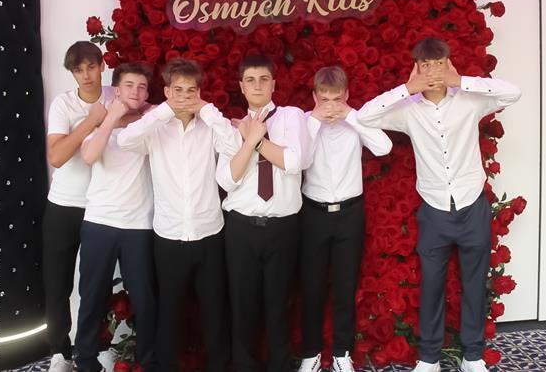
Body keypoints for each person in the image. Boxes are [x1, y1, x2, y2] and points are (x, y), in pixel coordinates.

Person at [356, 38, 521, 372]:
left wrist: (461, 81)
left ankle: (472, 356)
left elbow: (512, 93)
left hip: (472, 206)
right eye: (426, 65)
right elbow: (364, 116)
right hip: (433, 210)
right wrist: (407, 88)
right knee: (432, 286)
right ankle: (429, 358)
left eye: (439, 63)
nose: (433, 71)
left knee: (474, 284)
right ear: (416, 67)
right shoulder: (408, 110)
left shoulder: (469, 101)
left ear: (449, 63)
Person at [117, 58, 238, 372]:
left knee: (214, 312)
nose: (184, 96)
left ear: (199, 92)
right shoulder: (155, 127)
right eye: (178, 90)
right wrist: (163, 112)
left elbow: (235, 145)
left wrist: (208, 110)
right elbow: (125, 140)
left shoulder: (209, 126)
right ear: (168, 91)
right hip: (169, 237)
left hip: (209, 234)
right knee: (168, 312)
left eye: (191, 90)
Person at [216, 54, 311, 372]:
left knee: (279, 303)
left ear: (273, 84)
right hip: (241, 228)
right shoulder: (232, 128)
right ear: (242, 87)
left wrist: (255, 141)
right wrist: (247, 139)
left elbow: (295, 162)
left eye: (263, 79)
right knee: (242, 304)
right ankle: (244, 366)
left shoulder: (292, 117)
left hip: (283, 227)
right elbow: (227, 180)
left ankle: (279, 366)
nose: (257, 86)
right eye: (250, 80)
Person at [297, 66, 392, 372]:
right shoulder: (305, 122)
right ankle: (311, 354)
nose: (331, 106)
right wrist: (315, 120)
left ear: (347, 95)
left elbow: (384, 147)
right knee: (312, 286)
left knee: (345, 286)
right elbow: (298, 159)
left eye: (337, 99)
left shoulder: (356, 120)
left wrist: (351, 115)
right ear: (314, 97)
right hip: (313, 214)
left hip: (350, 214)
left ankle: (342, 353)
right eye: (324, 99)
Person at [73, 62, 156, 372]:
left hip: (139, 226)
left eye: (142, 87)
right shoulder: (98, 123)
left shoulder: (152, 121)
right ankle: (85, 361)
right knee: (92, 296)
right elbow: (89, 156)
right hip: (99, 223)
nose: (136, 91)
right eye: (129, 85)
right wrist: (111, 117)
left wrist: (145, 115)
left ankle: (147, 362)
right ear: (117, 90)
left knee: (145, 299)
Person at [42, 41, 113, 372]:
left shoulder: (116, 96)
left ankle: (99, 347)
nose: (86, 76)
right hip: (63, 205)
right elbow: (56, 156)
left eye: (91, 67)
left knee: (97, 283)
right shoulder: (63, 104)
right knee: (58, 282)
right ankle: (60, 352)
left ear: (102, 66)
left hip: (102, 207)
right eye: (78, 70)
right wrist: (91, 121)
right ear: (72, 73)